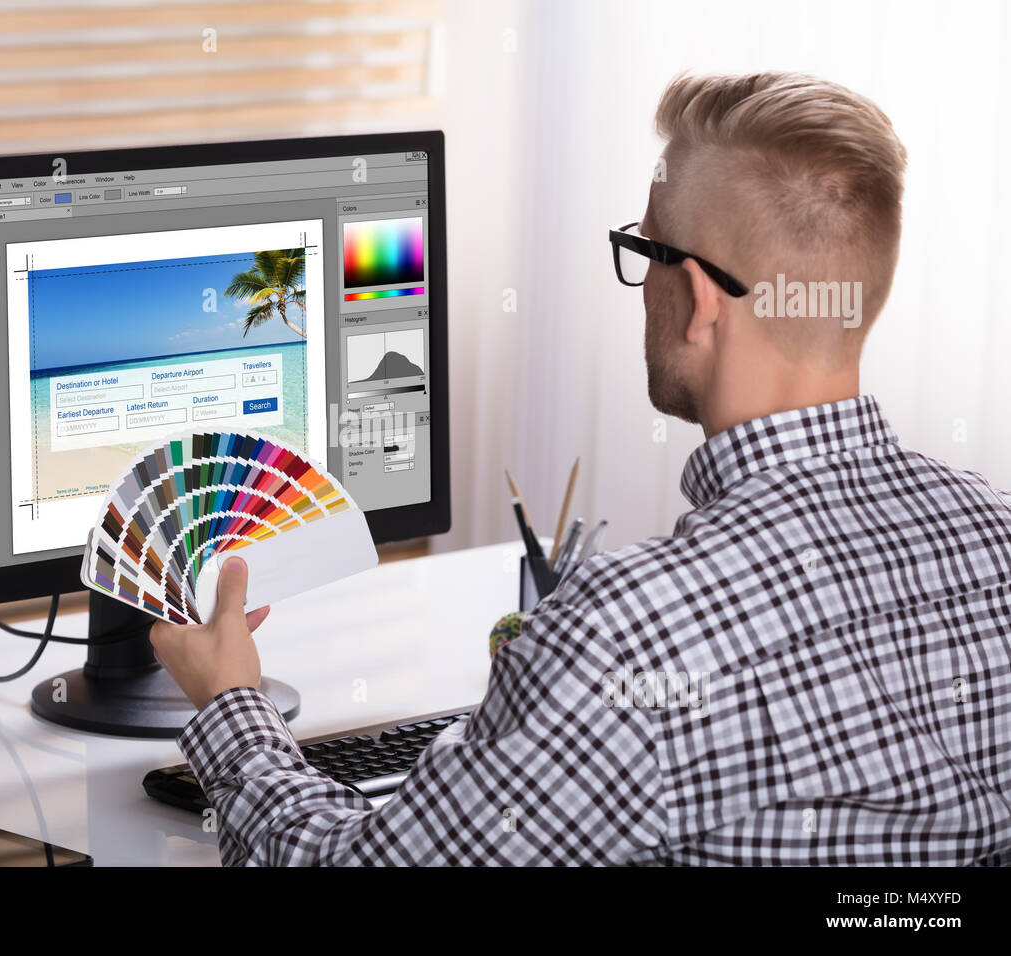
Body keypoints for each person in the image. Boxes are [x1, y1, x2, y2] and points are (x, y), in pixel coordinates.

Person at [150, 72, 1011, 866]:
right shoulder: (996, 536)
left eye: (648, 250)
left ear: (704, 300)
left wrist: (231, 702)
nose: (642, 283)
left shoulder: (629, 633)